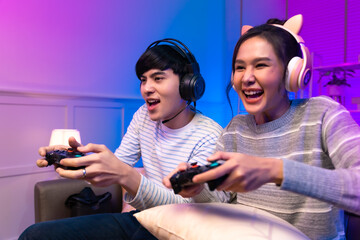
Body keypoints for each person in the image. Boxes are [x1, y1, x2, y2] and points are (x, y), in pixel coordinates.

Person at [164, 15, 360, 239]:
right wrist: (199, 190)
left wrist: (275, 170)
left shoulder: (324, 114)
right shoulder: (234, 130)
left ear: (291, 73)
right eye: (239, 67)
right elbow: (222, 200)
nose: (246, 78)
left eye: (261, 65)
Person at [19, 38, 228, 240]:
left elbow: (190, 207)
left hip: (182, 229)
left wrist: (128, 176)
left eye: (158, 78)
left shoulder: (209, 135)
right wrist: (77, 160)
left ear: (187, 85)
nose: (146, 88)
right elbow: (118, 165)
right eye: (143, 80)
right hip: (143, 219)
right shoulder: (143, 116)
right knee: (34, 235)